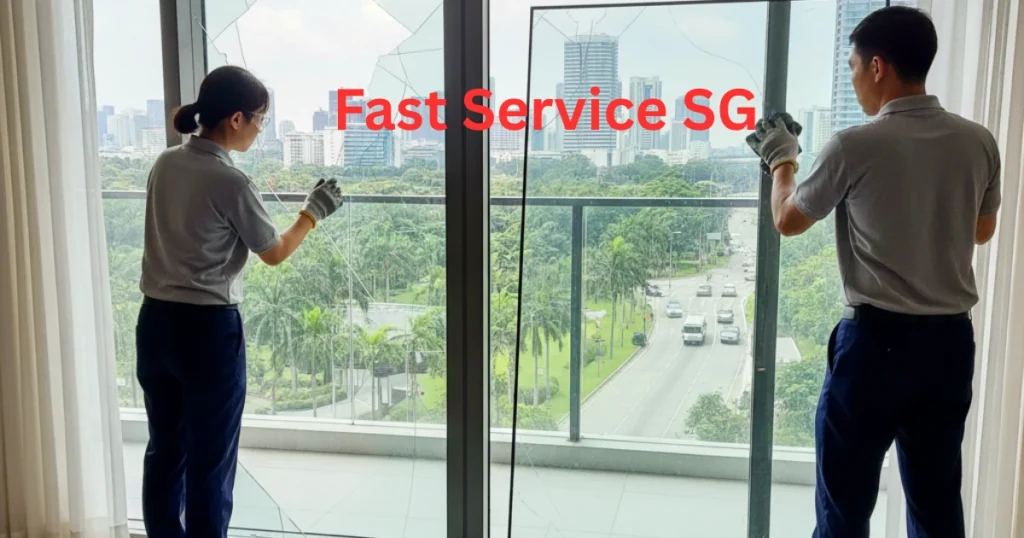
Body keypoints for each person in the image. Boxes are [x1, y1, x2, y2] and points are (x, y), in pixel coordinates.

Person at [745, 6, 1000, 538]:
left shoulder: (855, 144)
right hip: (949, 344)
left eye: (854, 67)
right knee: (935, 507)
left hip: (876, 347)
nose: (854, 79)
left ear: (878, 66)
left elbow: (788, 220)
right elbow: (981, 231)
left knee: (844, 509)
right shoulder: (979, 141)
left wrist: (782, 159)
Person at [135, 65, 343, 538]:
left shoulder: (166, 162)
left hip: (154, 325)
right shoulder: (231, 182)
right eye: (259, 119)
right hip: (206, 333)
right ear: (235, 119)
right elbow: (273, 252)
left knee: (165, 450)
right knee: (211, 461)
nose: (259, 128)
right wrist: (313, 213)